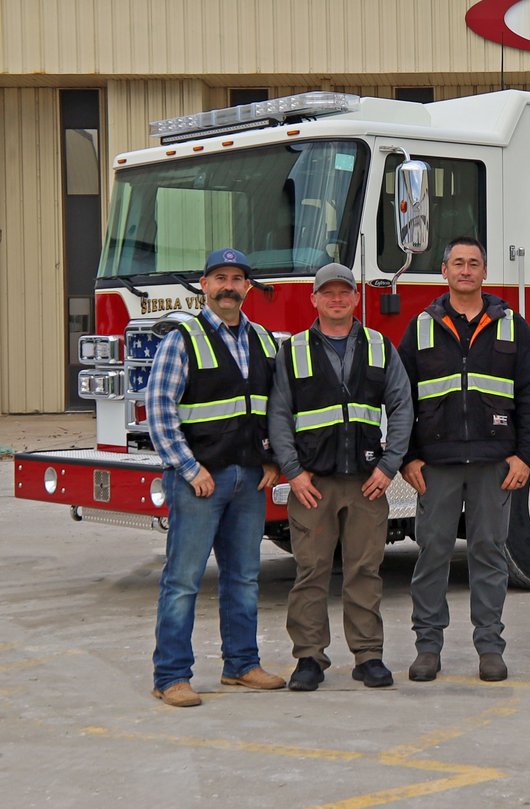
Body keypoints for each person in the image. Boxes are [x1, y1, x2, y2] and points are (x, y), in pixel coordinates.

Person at [398, 237, 530, 683]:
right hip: (437, 464)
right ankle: (428, 647)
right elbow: (399, 396)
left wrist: (524, 456)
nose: (466, 270)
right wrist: (408, 457)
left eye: (474, 263)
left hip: (493, 464)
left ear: (485, 272)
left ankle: (490, 647)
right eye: (458, 263)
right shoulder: (421, 326)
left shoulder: (511, 325)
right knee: (433, 554)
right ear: (443, 271)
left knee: (488, 552)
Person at [146, 247, 286, 707]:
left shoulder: (264, 340)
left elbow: (273, 409)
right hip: (199, 482)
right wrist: (188, 468)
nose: (229, 286)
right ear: (203, 285)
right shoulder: (181, 340)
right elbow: (161, 411)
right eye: (220, 277)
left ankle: (241, 665)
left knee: (244, 577)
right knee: (184, 580)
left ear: (247, 287)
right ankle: (171, 676)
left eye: (237, 278)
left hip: (249, 478)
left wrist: (272, 461)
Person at [268, 263, 413, 691]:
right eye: (327, 293)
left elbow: (402, 407)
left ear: (356, 298)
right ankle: (309, 658)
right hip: (312, 484)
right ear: (313, 299)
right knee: (311, 572)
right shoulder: (292, 351)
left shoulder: (379, 346)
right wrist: (293, 473)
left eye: (344, 292)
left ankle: (368, 656)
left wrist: (389, 466)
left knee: (365, 571)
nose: (336, 299)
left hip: (367, 482)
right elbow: (278, 415)